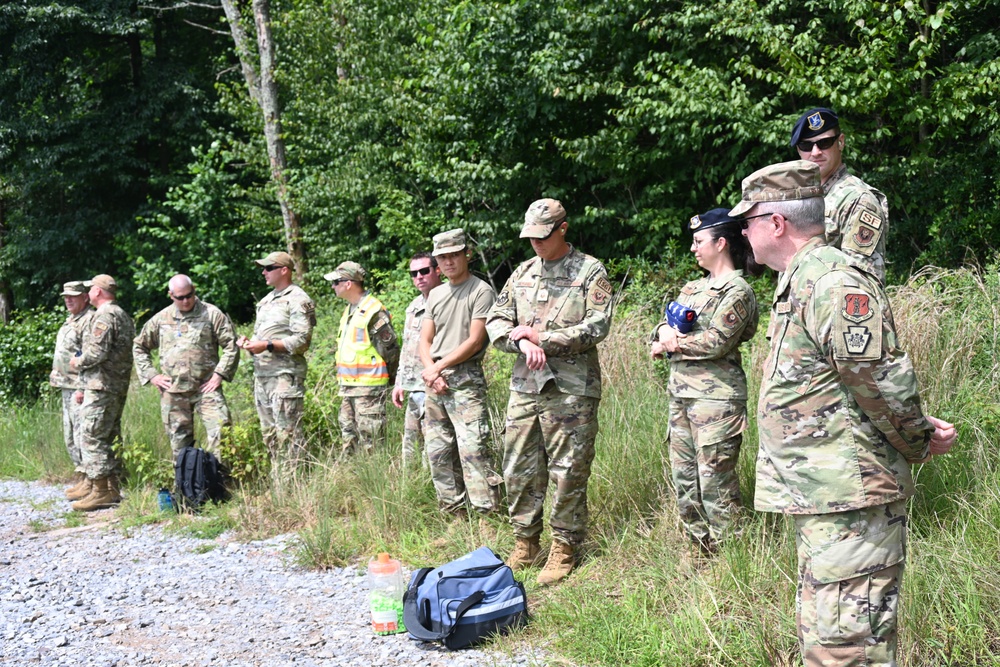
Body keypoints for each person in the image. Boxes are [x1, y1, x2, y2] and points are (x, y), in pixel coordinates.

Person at [731, 160, 957, 666]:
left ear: (776, 222)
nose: (742, 231)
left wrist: (919, 439)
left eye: (749, 219)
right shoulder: (804, 278)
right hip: (827, 500)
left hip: (852, 501)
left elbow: (879, 380)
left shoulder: (834, 281)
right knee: (829, 642)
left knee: (850, 650)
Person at [486, 198, 614, 585]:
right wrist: (521, 343)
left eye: (543, 236)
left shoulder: (590, 271)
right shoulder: (523, 272)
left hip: (571, 388)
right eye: (530, 237)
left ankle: (564, 546)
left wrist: (544, 338)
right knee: (518, 465)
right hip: (526, 385)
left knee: (568, 468)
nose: (536, 244)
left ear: (563, 229)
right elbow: (496, 319)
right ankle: (525, 541)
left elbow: (597, 326)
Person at [650, 208, 760, 553]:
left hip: (717, 401)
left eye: (699, 242)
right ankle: (699, 550)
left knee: (715, 481)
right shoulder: (693, 286)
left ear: (722, 243)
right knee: (685, 479)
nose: (693, 248)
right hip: (681, 395)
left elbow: (717, 341)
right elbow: (661, 328)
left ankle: (733, 559)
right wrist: (663, 331)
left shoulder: (737, 290)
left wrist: (674, 342)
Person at [419, 229, 499, 516]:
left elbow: (475, 340)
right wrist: (432, 371)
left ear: (467, 254)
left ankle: (486, 516)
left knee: (473, 449)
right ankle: (454, 515)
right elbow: (424, 340)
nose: (449, 262)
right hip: (434, 380)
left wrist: (438, 368)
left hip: (465, 378)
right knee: (438, 451)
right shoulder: (436, 293)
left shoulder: (481, 291)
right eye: (443, 257)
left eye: (454, 255)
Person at [133, 275, 240, 460]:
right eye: (180, 297)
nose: (185, 301)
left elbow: (232, 345)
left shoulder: (211, 314)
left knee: (221, 432)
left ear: (194, 290)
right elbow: (139, 346)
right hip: (174, 391)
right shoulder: (161, 319)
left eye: (189, 295)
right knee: (179, 443)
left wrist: (219, 374)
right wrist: (152, 375)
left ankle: (221, 483)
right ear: (171, 295)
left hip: (206, 388)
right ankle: (185, 485)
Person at [236, 252, 316, 479]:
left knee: (288, 435)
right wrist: (250, 343)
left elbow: (302, 341)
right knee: (269, 435)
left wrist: (267, 345)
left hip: (285, 376)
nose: (264, 272)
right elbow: (260, 336)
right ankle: (279, 486)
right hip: (263, 377)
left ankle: (294, 489)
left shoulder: (298, 299)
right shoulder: (266, 301)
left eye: (269, 267)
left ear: (284, 270)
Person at [791, 107, 890, 283]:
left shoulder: (859, 200)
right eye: (806, 145)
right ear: (799, 150)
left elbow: (861, 283)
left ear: (840, 142)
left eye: (824, 143)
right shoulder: (799, 199)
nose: (815, 152)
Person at [69, 274, 135, 511]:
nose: (88, 293)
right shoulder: (121, 314)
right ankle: (111, 487)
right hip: (114, 385)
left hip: (102, 385)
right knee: (109, 435)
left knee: (91, 434)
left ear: (97, 292)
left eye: (91, 289)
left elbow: (97, 353)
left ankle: (100, 491)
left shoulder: (105, 315)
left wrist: (77, 362)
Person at [327, 261, 399, 455]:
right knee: (349, 441)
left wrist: (391, 381)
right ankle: (353, 483)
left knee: (372, 444)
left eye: (335, 282)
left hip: (368, 390)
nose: (333, 286)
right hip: (349, 389)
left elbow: (390, 350)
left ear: (348, 283)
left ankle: (377, 483)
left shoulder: (373, 311)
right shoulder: (350, 310)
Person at [391, 252, 442, 467]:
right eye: (414, 273)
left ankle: (431, 495)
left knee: (434, 450)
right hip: (413, 387)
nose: (419, 277)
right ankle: (411, 494)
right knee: (410, 449)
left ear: (437, 270)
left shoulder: (448, 301)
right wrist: (399, 382)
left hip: (435, 386)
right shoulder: (413, 306)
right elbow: (407, 348)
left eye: (424, 271)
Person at [51, 280, 96, 500]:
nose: (68, 299)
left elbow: (88, 357)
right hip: (65, 385)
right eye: (65, 296)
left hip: (79, 387)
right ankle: (81, 477)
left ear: (85, 297)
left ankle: (90, 481)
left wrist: (82, 387)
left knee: (82, 435)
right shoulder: (72, 320)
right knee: (70, 435)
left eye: (73, 296)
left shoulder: (89, 321)